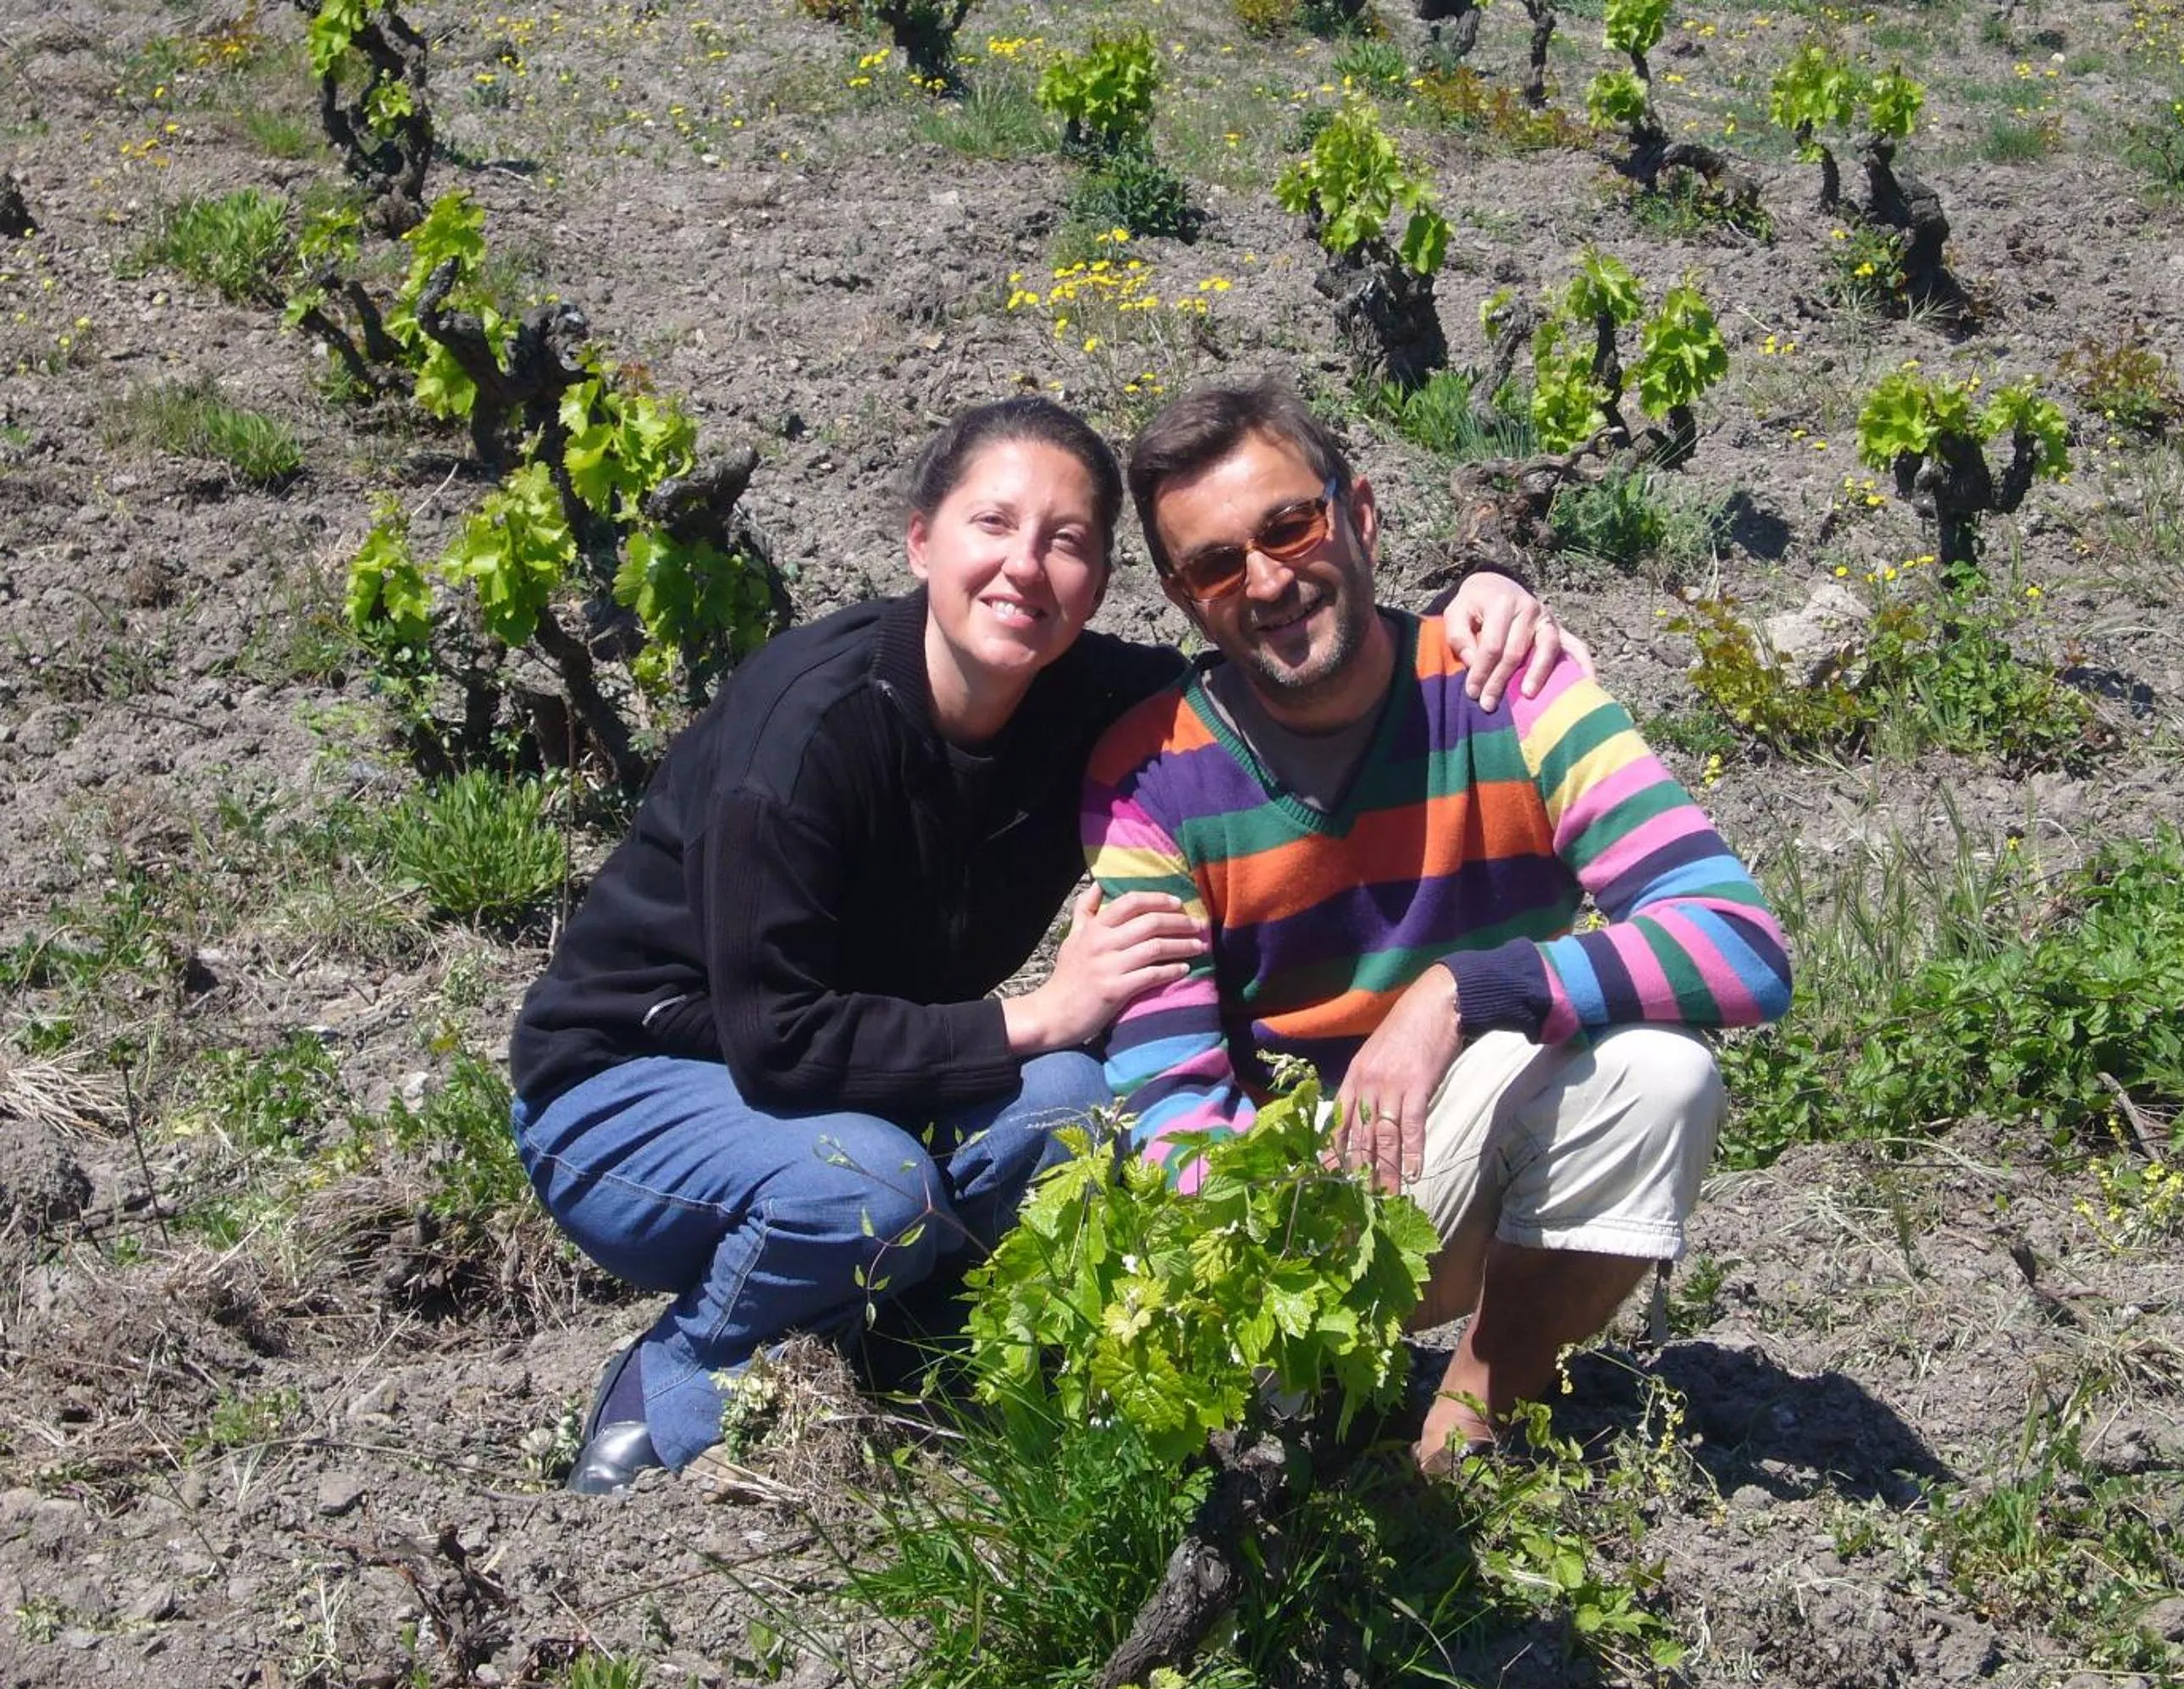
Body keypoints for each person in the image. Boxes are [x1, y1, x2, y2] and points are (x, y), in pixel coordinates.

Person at [509, 394, 1569, 1493]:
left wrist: (1478, 597)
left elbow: (1291, 659)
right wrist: (1038, 1013)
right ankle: (676, 1386)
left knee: (1077, 1101)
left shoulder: (1087, 704)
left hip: (842, 1079)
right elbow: (773, 1039)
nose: (1026, 566)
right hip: (629, 1091)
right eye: (993, 526)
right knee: (871, 1188)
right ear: (922, 539)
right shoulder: (808, 735)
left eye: (1067, 542)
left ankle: (894, 1348)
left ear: (1102, 582)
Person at [1082, 379, 1794, 1469]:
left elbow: (1739, 943)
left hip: (1461, 1141)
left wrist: (1461, 994)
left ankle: (1462, 1435)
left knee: (1661, 1076)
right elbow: (1171, 1095)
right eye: (1217, 564)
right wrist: (1256, 1289)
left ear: (1357, 516)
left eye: (1289, 526)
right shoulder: (1148, 773)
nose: (1267, 581)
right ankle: (1315, 1415)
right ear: (1184, 600)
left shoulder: (1512, 687)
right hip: (1284, 1181)